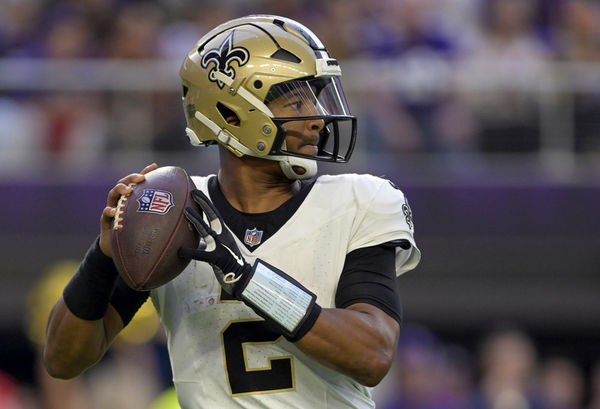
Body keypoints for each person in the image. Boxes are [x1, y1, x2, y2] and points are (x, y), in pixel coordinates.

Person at [43, 15, 421, 409]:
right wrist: (104, 257)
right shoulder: (177, 213)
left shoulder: (359, 199)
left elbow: (372, 354)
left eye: (316, 98)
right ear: (231, 115)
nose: (316, 119)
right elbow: (62, 359)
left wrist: (245, 276)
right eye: (296, 101)